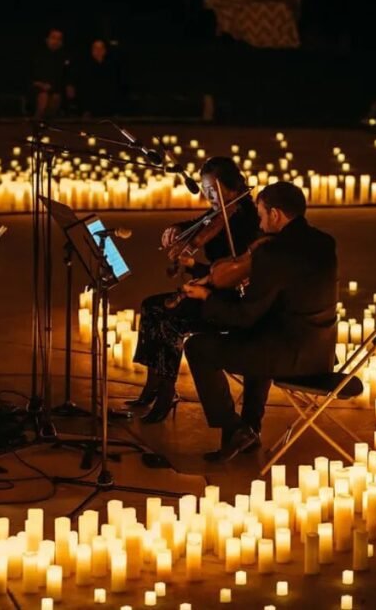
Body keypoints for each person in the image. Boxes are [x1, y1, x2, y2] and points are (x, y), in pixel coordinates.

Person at [180, 181, 338, 462]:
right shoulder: (324, 242)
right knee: (259, 338)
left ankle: (235, 427)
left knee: (198, 347)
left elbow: (243, 316)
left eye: (263, 215)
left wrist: (207, 297)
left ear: (276, 214)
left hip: (291, 357)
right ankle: (250, 428)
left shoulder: (273, 252)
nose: (261, 224)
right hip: (320, 352)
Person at [130, 157, 261, 423]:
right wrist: (176, 229)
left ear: (233, 188)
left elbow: (228, 276)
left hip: (228, 301)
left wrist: (193, 267)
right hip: (212, 289)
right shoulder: (220, 212)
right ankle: (153, 386)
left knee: (169, 319)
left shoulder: (248, 221)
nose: (208, 196)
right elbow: (199, 223)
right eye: (205, 190)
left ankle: (167, 394)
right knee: (151, 306)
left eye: (213, 190)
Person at [31, 28, 74, 119]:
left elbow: (67, 76)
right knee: (44, 97)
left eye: (59, 39)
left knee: (55, 98)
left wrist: (69, 85)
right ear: (47, 39)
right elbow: (31, 76)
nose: (56, 41)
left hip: (56, 89)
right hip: (38, 88)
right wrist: (41, 84)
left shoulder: (64, 56)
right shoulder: (38, 55)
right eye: (53, 38)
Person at [77, 39, 122, 117]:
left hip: (107, 101)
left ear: (105, 50)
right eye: (96, 48)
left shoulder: (111, 65)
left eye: (101, 48)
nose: (98, 51)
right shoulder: (85, 65)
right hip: (90, 101)